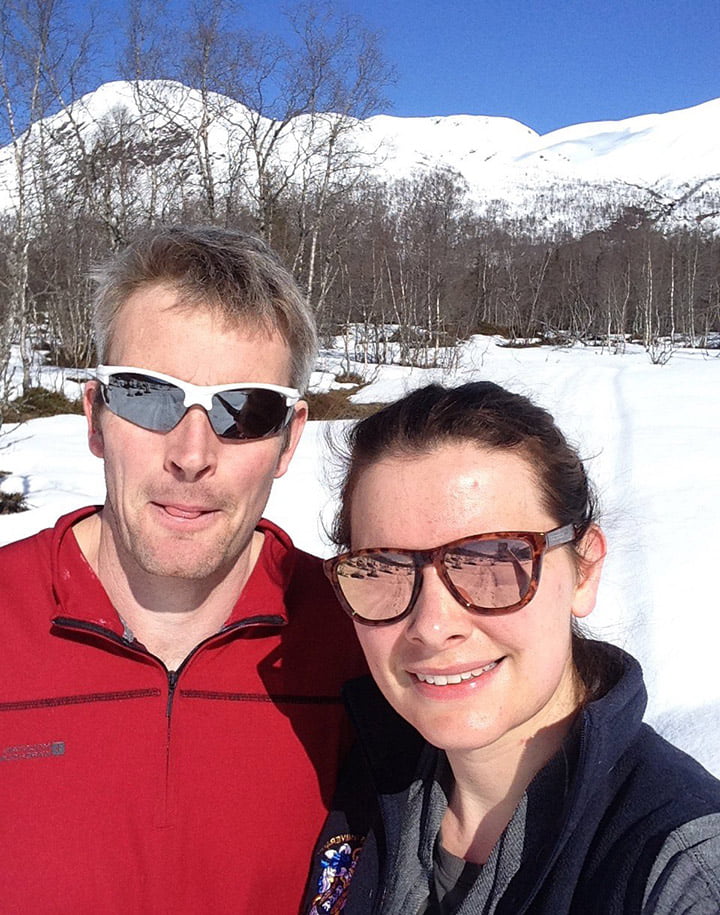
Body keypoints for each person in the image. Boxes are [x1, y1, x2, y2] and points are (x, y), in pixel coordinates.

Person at [0, 225, 367, 913]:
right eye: (147, 395)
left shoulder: (364, 641)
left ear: (288, 440)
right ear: (94, 417)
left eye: (246, 409)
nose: (191, 453)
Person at [304, 382, 720, 914]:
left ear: (584, 570)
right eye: (384, 568)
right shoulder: (362, 786)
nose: (432, 626)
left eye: (493, 560)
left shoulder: (678, 872)